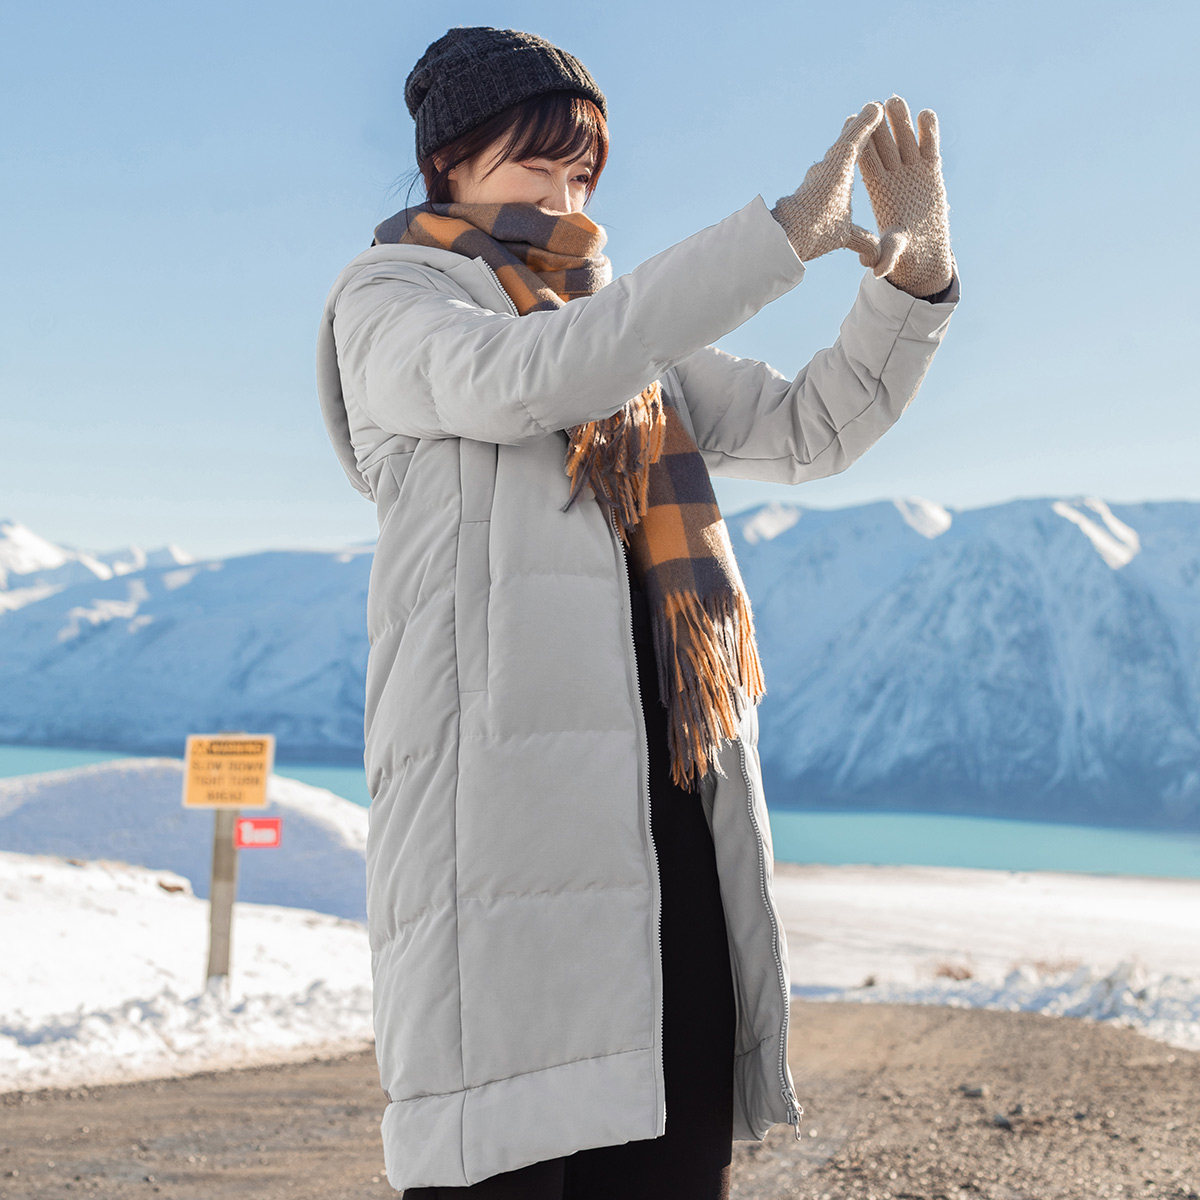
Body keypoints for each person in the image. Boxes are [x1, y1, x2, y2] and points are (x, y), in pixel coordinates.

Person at [315, 24, 960, 1198]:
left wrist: (908, 283)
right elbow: (525, 379)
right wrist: (772, 243)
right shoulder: (395, 301)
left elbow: (815, 428)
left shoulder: (619, 334)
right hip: (501, 840)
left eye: (581, 172)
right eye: (534, 162)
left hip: (668, 816)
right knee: (507, 1165)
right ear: (449, 162)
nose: (562, 194)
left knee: (666, 1165)